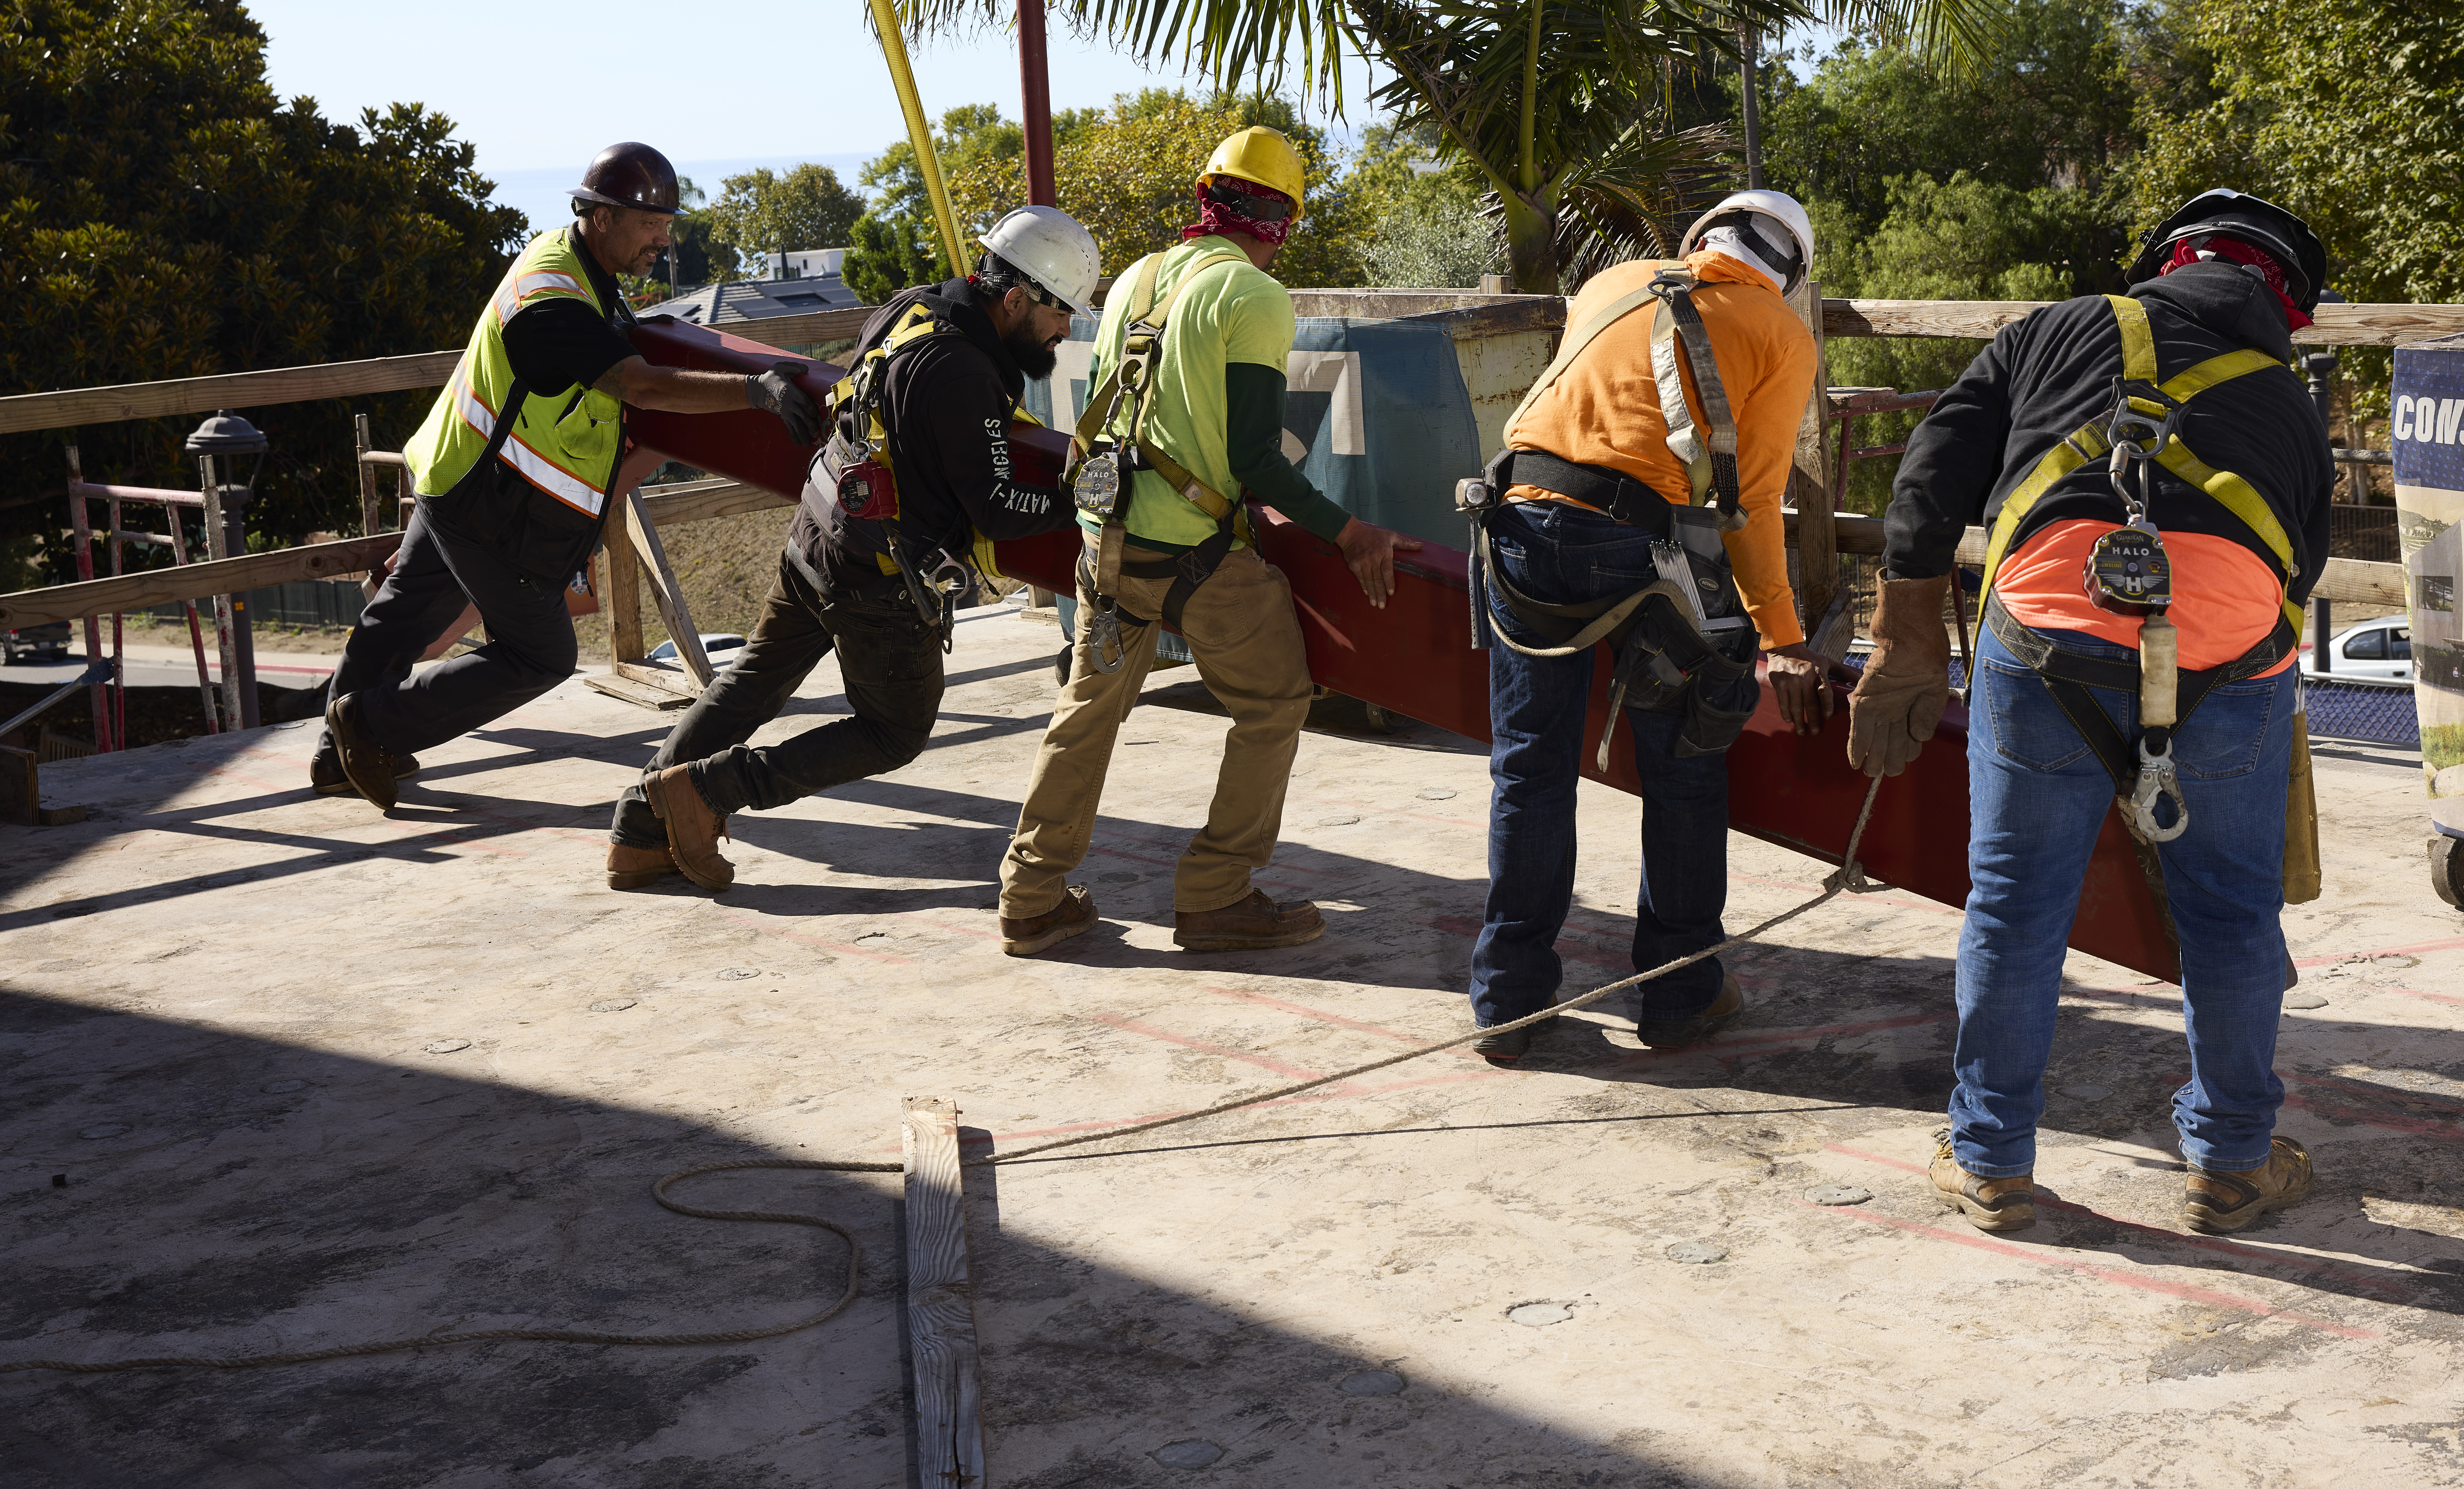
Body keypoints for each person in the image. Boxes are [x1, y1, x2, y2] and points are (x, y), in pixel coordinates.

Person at [1852, 188, 2333, 1237]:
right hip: (2230, 660)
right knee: (2234, 912)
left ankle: (1990, 1160)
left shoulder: (2060, 328)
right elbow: (2306, 562)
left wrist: (1904, 636)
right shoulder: (2290, 403)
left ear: (2163, 263)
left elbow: (1933, 472)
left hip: (2047, 638)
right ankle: (2234, 1163)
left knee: (2018, 902)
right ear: (2285, 303)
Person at [992, 127, 1411, 957]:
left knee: (1085, 714)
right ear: (1282, 218)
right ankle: (1216, 892)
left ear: (1206, 198)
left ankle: (1030, 897)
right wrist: (1350, 529)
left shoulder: (1138, 279)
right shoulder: (1253, 298)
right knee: (1276, 700)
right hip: (1195, 559)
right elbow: (1256, 459)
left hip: (1105, 547)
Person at [608, 208, 1099, 892]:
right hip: (875, 574)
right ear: (1015, 298)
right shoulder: (964, 371)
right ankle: (706, 790)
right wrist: (1084, 499)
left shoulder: (916, 308)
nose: (1065, 329)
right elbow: (995, 509)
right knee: (892, 730)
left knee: (753, 680)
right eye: (1059, 312)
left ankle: (639, 828)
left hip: (819, 532)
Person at [317, 144, 819, 808]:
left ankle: (334, 755)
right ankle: (370, 725)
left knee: (406, 611)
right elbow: (638, 386)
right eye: (649, 224)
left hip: (456, 468)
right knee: (540, 653)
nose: (663, 239)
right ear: (602, 216)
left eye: (667, 223)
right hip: (487, 497)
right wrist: (754, 392)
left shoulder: (570, 259)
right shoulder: (555, 300)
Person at [1458, 190, 1832, 1062]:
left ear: (1702, 238)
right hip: (1628, 542)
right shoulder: (1780, 334)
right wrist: (1779, 637)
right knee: (1686, 766)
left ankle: (1509, 1002)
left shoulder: (1614, 281)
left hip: (1514, 519)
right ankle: (1680, 992)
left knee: (1529, 770)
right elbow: (1752, 500)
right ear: (1785, 275)